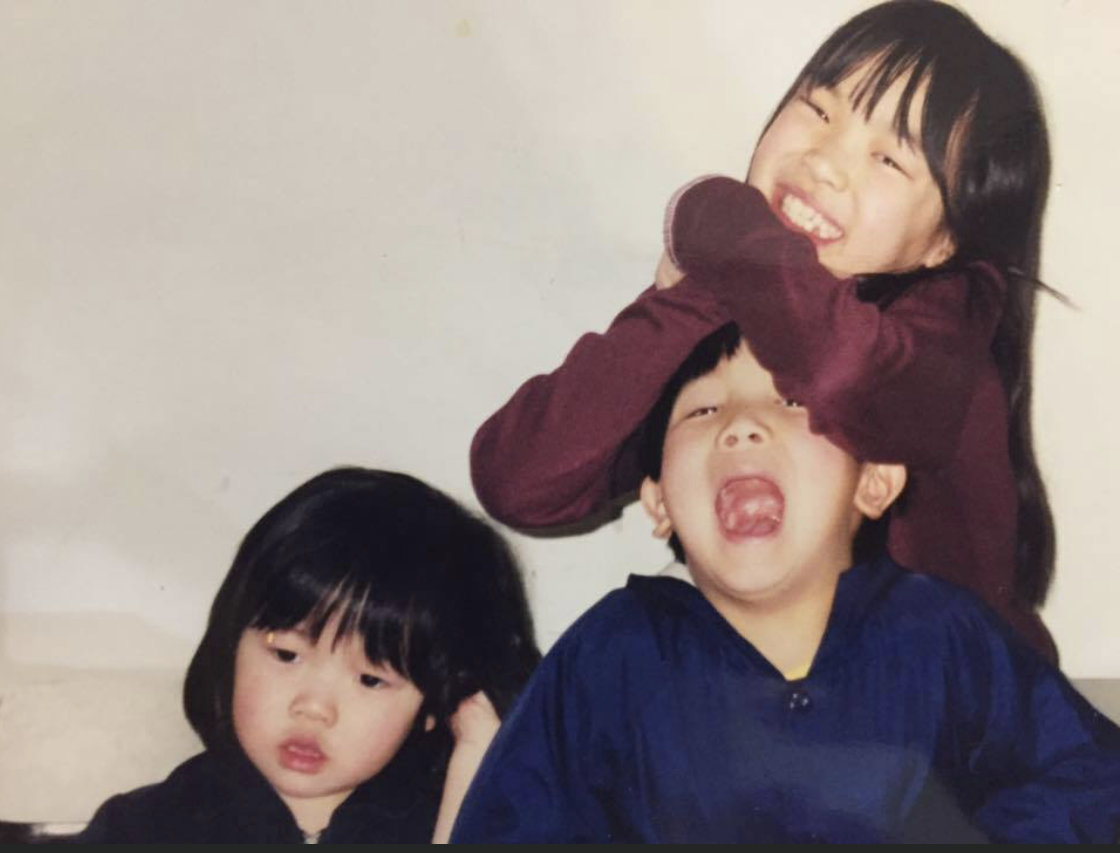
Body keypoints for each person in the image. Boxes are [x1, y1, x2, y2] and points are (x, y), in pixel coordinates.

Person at [470, 0, 1059, 658]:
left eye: (888, 159)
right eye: (819, 110)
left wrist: (710, 218)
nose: (825, 163)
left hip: (962, 720)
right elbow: (520, 481)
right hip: (792, 708)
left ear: (946, 240)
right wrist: (696, 295)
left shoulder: (944, 333)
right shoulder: (744, 287)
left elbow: (843, 373)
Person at [452, 324, 1120, 843]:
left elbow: (1091, 776)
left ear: (874, 479)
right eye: (703, 410)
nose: (742, 423)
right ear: (658, 501)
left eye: (794, 400)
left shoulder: (940, 631)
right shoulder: (611, 653)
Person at [76, 467, 539, 844]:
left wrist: (475, 765)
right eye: (286, 655)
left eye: (370, 679)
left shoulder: (445, 819)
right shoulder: (144, 828)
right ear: (232, 643)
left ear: (437, 706)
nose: (313, 707)